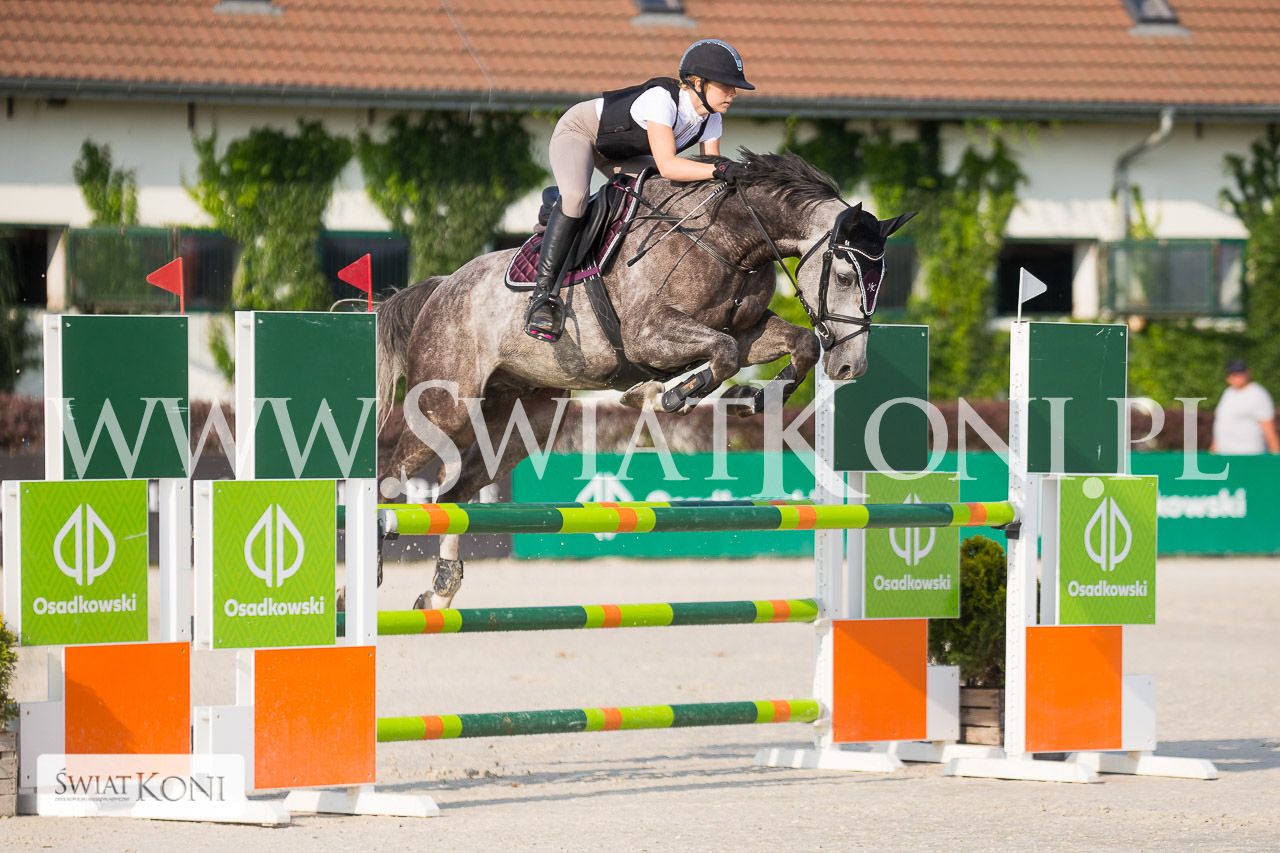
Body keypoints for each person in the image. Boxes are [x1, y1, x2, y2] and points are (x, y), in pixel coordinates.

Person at [524, 38, 754, 342]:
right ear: (697, 83)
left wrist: (735, 174)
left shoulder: (711, 119)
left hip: (618, 154)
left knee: (660, 192)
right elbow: (670, 166)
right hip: (581, 133)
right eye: (726, 85)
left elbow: (710, 170)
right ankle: (542, 297)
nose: (733, 93)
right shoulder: (662, 100)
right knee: (576, 198)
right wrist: (720, 169)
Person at [1211, 358, 1280, 454]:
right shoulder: (1228, 393)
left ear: (1248, 373)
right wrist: (1213, 451)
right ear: (1228, 377)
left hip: (1249, 455)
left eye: (1240, 373)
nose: (1237, 377)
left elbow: (1268, 428)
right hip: (1224, 455)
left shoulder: (1257, 394)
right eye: (1233, 374)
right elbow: (1222, 425)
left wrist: (1276, 455)